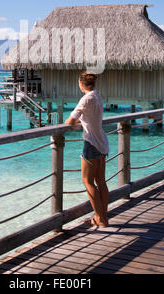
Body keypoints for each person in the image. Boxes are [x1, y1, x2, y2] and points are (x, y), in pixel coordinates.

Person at [65, 71, 109, 227]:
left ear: (81, 84)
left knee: (87, 181)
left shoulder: (85, 100)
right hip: (102, 141)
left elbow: (69, 121)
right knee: (101, 181)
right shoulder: (97, 96)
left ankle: (100, 219)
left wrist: (75, 124)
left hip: (91, 142)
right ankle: (103, 216)